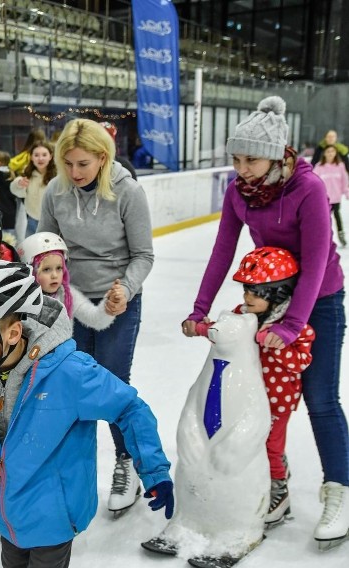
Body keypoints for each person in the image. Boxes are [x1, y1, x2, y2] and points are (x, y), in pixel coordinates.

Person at [182, 96, 349, 549]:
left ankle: (340, 489)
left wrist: (295, 323)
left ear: (276, 154)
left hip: (320, 301)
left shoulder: (307, 188)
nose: (241, 169)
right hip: (268, 305)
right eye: (235, 159)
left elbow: (316, 262)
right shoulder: (239, 192)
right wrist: (199, 309)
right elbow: (222, 251)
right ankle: (276, 482)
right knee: (262, 402)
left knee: (320, 399)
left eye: (250, 158)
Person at [0, 259, 174, 567]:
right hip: (5, 512)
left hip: (54, 515)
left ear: (12, 333)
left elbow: (130, 408)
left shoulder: (68, 371)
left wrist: (153, 469)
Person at [37, 118, 154, 518]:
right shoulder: (56, 191)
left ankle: (127, 463)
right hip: (69, 301)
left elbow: (143, 255)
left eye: (82, 164)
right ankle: (71, 468)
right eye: (67, 163)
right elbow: (44, 248)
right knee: (70, 384)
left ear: (103, 159)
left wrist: (126, 288)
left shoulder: (128, 193)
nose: (74, 173)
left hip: (116, 301)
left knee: (112, 382)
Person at [191, 247, 314, 528]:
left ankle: (279, 492)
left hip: (276, 399)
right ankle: (273, 468)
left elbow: (301, 361)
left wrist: (277, 344)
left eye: (256, 292)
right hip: (245, 394)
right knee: (256, 442)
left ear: (277, 293)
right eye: (247, 290)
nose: (247, 298)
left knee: (269, 442)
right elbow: (227, 336)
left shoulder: (296, 326)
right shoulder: (241, 314)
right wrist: (202, 328)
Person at [18, 231, 123, 331]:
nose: (55, 275)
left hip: (63, 349)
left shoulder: (67, 294)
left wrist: (109, 304)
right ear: (30, 271)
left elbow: (96, 320)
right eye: (46, 269)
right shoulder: (21, 298)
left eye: (59, 268)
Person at [10, 140, 56, 237]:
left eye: (44, 155)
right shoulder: (28, 174)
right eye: (36, 155)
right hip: (32, 220)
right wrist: (19, 183)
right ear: (31, 157)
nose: (40, 158)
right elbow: (15, 190)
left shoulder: (58, 175)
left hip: (53, 223)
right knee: (31, 251)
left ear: (50, 156)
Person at [313, 144, 349, 246]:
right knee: (325, 219)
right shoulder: (319, 167)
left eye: (332, 151)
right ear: (324, 153)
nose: (330, 154)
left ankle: (341, 235)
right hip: (324, 199)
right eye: (328, 151)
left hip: (336, 198)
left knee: (337, 216)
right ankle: (324, 238)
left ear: (335, 153)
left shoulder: (340, 166)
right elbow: (314, 181)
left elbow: (344, 181)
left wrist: (346, 192)